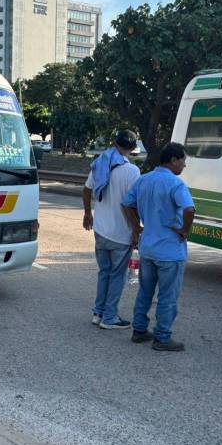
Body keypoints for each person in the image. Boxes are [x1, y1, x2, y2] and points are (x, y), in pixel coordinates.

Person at [123, 142, 195, 351]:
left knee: (145, 291)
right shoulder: (176, 184)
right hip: (170, 251)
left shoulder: (144, 180)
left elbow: (127, 203)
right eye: (183, 161)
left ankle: (139, 330)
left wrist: (136, 226)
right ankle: (162, 337)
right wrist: (184, 230)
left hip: (148, 248)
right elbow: (189, 209)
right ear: (173, 160)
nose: (184, 165)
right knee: (167, 295)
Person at [82, 130, 140, 330]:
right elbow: (131, 204)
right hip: (119, 233)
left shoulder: (100, 163)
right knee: (117, 275)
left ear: (115, 143)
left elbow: (87, 189)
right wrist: (136, 230)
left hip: (100, 229)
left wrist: (88, 213)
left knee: (104, 272)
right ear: (132, 148)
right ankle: (110, 317)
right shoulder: (132, 171)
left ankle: (98, 313)